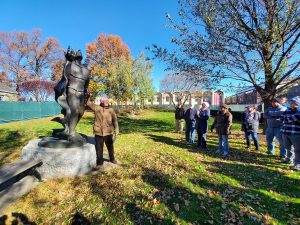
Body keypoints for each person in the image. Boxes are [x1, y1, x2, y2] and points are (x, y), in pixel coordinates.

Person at [86, 95, 119, 170]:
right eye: (104, 101)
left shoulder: (111, 110)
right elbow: (88, 103)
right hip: (98, 132)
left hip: (108, 132)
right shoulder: (97, 108)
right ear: (101, 102)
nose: (106, 102)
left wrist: (117, 129)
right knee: (99, 149)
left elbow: (115, 121)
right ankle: (100, 163)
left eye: (107, 101)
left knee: (110, 147)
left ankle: (112, 158)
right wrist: (88, 95)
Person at [280, 97, 300, 171]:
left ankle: (298, 164)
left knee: (298, 150)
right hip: (285, 132)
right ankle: (288, 159)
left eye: (294, 103)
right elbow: (282, 118)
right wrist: (294, 118)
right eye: (291, 103)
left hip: (296, 133)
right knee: (288, 148)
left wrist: (287, 118)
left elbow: (298, 117)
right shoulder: (287, 110)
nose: (292, 104)